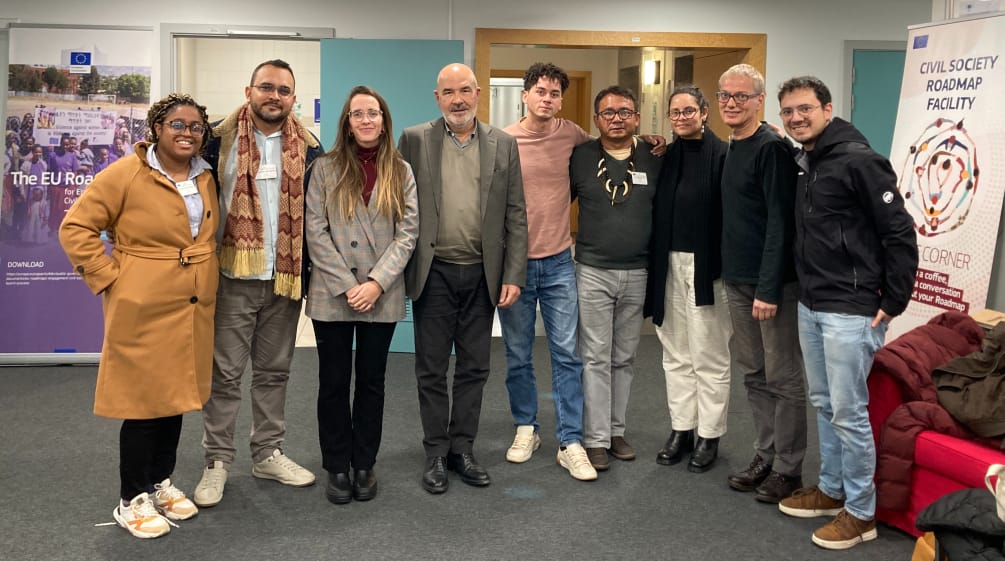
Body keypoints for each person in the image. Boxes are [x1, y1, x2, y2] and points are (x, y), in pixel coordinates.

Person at [59, 93, 218, 539]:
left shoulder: (205, 175)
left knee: (176, 397)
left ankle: (159, 481)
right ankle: (131, 498)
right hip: (142, 304)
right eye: (176, 124)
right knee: (143, 403)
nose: (186, 133)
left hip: (191, 304)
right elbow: (75, 227)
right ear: (156, 129)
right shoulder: (125, 173)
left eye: (195, 127)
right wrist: (111, 278)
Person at [774, 76, 918, 550]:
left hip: (850, 310)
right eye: (789, 112)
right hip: (812, 304)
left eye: (805, 109)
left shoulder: (860, 161)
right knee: (825, 404)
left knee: (849, 413)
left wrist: (893, 301)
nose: (796, 118)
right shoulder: (806, 161)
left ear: (827, 108)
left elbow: (899, 234)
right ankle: (832, 490)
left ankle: (861, 512)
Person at [194, 59, 324, 508]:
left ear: (293, 98)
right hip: (232, 276)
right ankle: (217, 461)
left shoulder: (309, 147)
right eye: (266, 87)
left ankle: (268, 452)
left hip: (284, 280)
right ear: (249, 90)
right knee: (225, 375)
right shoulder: (215, 139)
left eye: (284, 90)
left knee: (274, 373)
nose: (275, 96)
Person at [397, 62, 527, 494]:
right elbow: (396, 204)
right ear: (437, 98)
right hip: (432, 274)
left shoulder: (503, 144)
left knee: (474, 368)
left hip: (482, 275)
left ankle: (462, 449)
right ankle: (436, 451)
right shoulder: (415, 140)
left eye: (465, 91)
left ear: (478, 93)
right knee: (431, 369)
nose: (457, 99)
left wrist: (513, 273)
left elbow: (516, 213)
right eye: (448, 92)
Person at [305, 85, 418, 505]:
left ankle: (364, 463)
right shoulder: (325, 168)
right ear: (347, 123)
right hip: (332, 294)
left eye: (373, 113)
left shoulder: (401, 171)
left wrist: (375, 283)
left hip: (381, 294)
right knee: (333, 382)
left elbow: (409, 234)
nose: (366, 120)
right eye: (358, 114)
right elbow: (314, 232)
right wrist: (349, 286)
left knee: (372, 383)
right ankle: (336, 465)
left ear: (384, 120)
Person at [498, 62, 595, 481]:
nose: (547, 99)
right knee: (518, 353)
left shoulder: (572, 134)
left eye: (554, 93)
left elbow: (610, 148)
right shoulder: (503, 141)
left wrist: (650, 143)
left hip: (558, 262)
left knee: (566, 355)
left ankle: (570, 440)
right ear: (525, 94)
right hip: (515, 264)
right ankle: (526, 427)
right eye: (540, 91)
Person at [717, 63, 806, 503]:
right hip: (736, 279)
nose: (731, 104)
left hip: (770, 286)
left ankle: (789, 468)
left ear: (758, 101)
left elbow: (780, 224)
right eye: (725, 97)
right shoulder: (733, 145)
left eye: (740, 97)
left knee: (783, 377)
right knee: (753, 374)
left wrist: (769, 288)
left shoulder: (771, 149)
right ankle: (765, 454)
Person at [571, 85, 661, 471]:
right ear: (597, 120)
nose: (617, 119)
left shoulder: (657, 157)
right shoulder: (579, 156)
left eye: (625, 112)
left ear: (637, 118)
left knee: (624, 358)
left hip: (638, 271)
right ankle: (594, 439)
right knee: (594, 358)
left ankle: (615, 432)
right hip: (592, 270)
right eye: (609, 113)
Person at [646, 85, 732, 473]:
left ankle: (709, 435)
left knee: (709, 356)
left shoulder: (724, 156)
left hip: (707, 268)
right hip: (668, 264)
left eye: (688, 111)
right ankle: (682, 429)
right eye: (674, 112)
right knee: (675, 353)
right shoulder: (666, 156)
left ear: (704, 112)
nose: (681, 117)